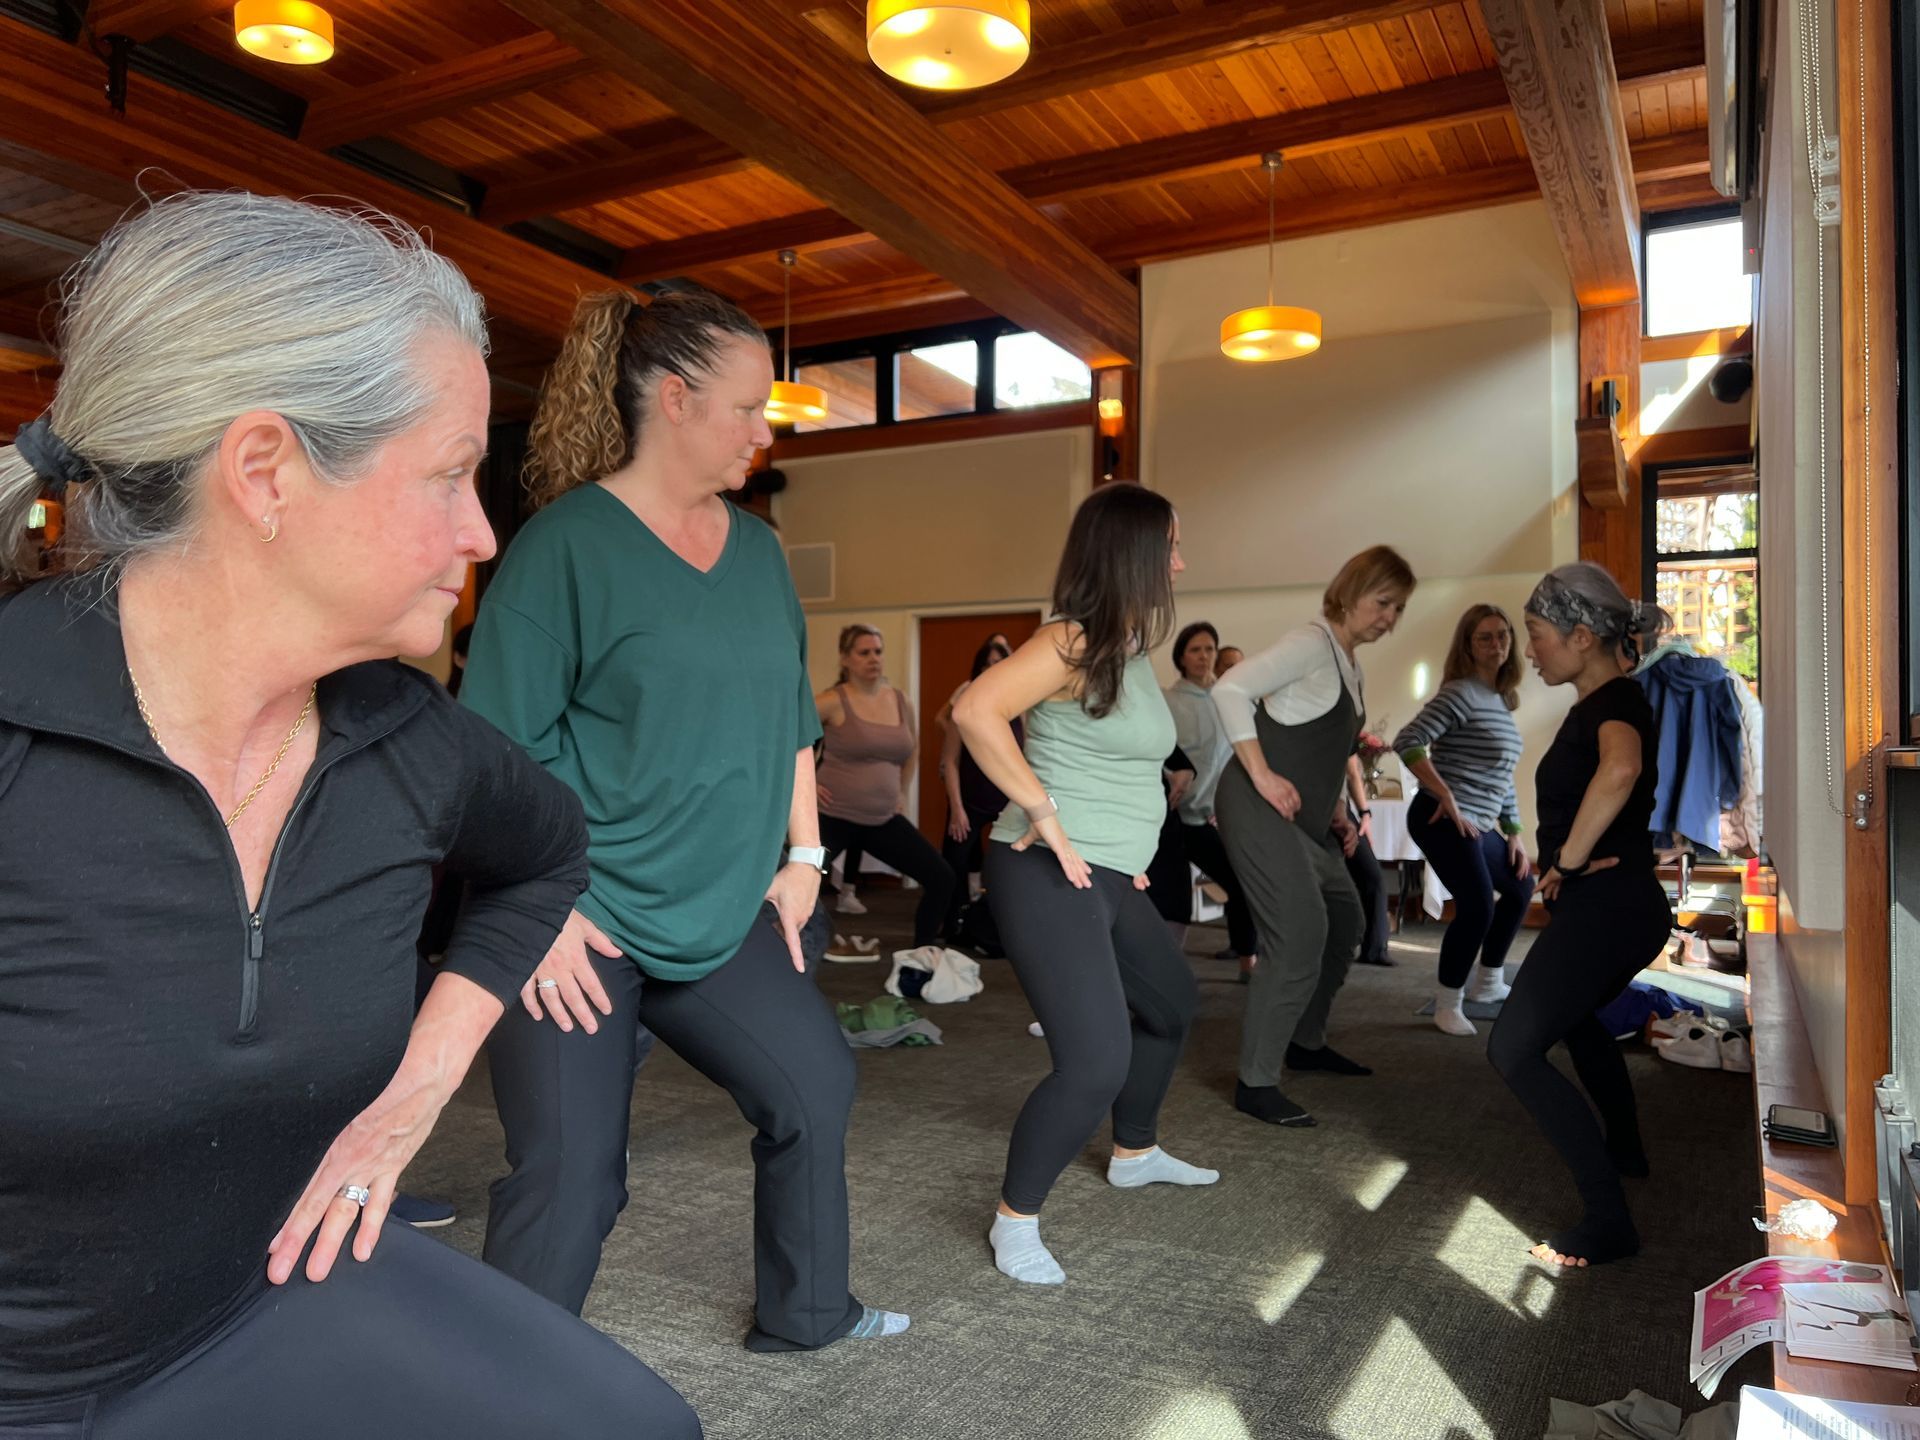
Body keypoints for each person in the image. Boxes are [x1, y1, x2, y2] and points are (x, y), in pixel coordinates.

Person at [0, 192, 699, 1438]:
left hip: (264, 1294)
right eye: (449, 475)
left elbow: (545, 859)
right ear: (265, 471)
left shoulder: (407, 741)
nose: (483, 531)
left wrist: (415, 1094)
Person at [462, 287, 905, 1350]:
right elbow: (486, 763)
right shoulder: (563, 552)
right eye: (750, 408)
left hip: (727, 914)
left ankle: (807, 1314)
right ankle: (496, 1399)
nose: (767, 430)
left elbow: (791, 722)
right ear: (673, 398)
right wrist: (545, 912)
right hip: (584, 920)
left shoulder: (755, 554)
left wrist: (804, 856)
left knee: (813, 1085)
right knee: (571, 1179)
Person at [956, 483, 1218, 1288]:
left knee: (1171, 1004)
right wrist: (1041, 806)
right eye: (1169, 545)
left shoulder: (1130, 650)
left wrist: (1131, 840)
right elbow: (974, 709)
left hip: (1109, 871)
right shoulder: (1071, 640)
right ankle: (1015, 1220)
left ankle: (1133, 1151)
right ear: (1134, 554)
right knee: (1094, 1060)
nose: (1180, 560)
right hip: (1041, 866)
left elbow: (1124, 763)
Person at [1493, 565, 1670, 1268]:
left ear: (1580, 635)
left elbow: (1620, 772)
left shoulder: (1614, 704)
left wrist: (1565, 860)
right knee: (1576, 1022)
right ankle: (1625, 1151)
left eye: (1537, 636)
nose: (1530, 650)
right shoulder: (1605, 699)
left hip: (1611, 905)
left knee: (1511, 1048)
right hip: (1620, 904)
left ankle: (1608, 1221)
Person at [1212, 546, 1416, 1128]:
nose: (1389, 618)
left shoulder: (1348, 662)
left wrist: (1339, 814)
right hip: (1254, 802)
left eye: (1399, 609)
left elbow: (1325, 750)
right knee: (1299, 932)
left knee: (1345, 916)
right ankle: (1256, 1081)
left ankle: (1306, 1040)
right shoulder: (1309, 642)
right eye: (1383, 603)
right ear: (1350, 592)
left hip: (1305, 818)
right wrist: (1261, 773)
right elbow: (1229, 689)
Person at [1393, 604, 1536, 1036]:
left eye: (1503, 635)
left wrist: (1512, 832)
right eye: (1485, 637)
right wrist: (1445, 793)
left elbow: (1502, 775)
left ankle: (1488, 984)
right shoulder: (1459, 693)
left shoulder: (1500, 700)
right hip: (1441, 816)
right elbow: (1408, 741)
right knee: (1475, 906)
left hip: (1476, 821)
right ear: (1468, 646)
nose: (1497, 643)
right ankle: (1447, 1003)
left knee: (1519, 886)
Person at [816, 623, 956, 950]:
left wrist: (901, 791)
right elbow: (787, 738)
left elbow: (913, 749)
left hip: (881, 819)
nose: (873, 659)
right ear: (845, 659)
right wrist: (805, 783)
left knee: (942, 877)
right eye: (864, 653)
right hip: (833, 816)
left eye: (878, 652)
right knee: (795, 883)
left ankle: (922, 953)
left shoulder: (899, 700)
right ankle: (788, 955)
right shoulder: (831, 701)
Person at [1162, 621, 1259, 978]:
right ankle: (1164, 969)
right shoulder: (1167, 700)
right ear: (1181, 658)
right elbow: (1158, 751)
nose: (1204, 656)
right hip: (1172, 817)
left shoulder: (1231, 698)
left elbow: (1242, 754)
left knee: (1241, 883)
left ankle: (1249, 961)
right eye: (1195, 650)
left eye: (1209, 649)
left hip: (1213, 817)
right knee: (1171, 901)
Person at [938, 635, 1019, 931]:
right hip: (969, 800)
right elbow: (951, 762)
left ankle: (1003, 924)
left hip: (1008, 801)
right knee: (953, 864)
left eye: (998, 663)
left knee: (1008, 868)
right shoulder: (965, 706)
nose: (992, 669)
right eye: (987, 664)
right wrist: (957, 809)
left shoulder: (1020, 706)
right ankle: (954, 924)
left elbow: (1028, 758)